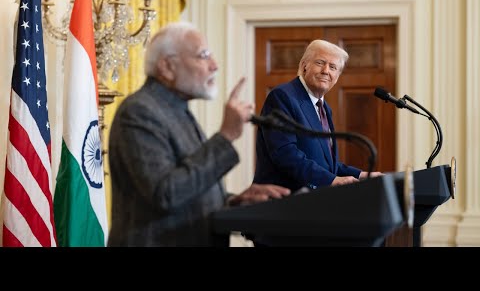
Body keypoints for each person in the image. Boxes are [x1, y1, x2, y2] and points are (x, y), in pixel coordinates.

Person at [107, 21, 290, 247]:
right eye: (203, 55)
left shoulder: (177, 110)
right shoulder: (139, 112)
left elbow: (188, 190)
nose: (214, 66)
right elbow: (165, 195)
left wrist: (234, 202)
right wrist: (226, 136)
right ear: (167, 67)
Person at [253, 39, 382, 193]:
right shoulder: (283, 96)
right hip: (282, 201)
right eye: (320, 63)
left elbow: (325, 163)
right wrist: (330, 180)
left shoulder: (324, 108)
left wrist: (361, 175)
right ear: (304, 66)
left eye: (333, 67)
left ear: (337, 76)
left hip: (312, 203)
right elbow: (285, 154)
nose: (326, 71)